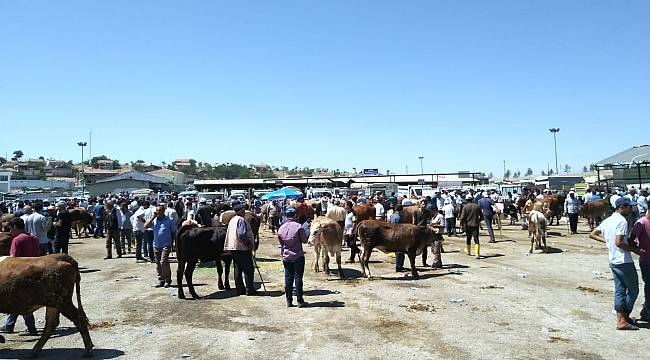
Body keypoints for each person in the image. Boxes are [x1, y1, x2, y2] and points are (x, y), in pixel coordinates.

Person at [589, 197, 644, 330]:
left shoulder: (608, 220)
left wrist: (607, 241)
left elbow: (593, 234)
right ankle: (623, 318)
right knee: (633, 290)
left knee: (620, 290)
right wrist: (637, 250)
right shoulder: (621, 221)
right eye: (629, 207)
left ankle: (621, 319)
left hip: (613, 259)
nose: (631, 210)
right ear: (622, 207)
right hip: (623, 260)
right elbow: (619, 242)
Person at [0, 218, 39, 336]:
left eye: (11, 229)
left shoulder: (17, 240)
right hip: (34, 270)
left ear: (15, 227)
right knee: (20, 300)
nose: (10, 232)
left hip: (19, 273)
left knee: (20, 300)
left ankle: (31, 328)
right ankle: (9, 325)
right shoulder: (33, 237)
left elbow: (13, 259)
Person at [277, 207, 309, 307]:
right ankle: (300, 300)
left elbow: (281, 243)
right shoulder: (299, 226)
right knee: (298, 278)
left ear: (286, 216)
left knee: (288, 278)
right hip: (297, 256)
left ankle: (289, 301)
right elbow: (304, 240)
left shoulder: (281, 228)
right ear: (295, 215)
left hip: (286, 256)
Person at [224, 204, 257, 295]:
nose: (244, 212)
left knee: (238, 269)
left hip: (233, 247)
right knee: (248, 269)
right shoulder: (241, 220)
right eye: (243, 210)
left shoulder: (232, 220)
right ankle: (249, 290)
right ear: (241, 211)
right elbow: (242, 234)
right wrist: (248, 244)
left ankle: (240, 289)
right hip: (242, 248)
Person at [145, 205, 177, 288]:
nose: (157, 212)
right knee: (158, 263)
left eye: (159, 210)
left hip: (166, 244)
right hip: (156, 244)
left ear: (163, 211)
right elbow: (145, 226)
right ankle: (161, 280)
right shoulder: (154, 220)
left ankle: (167, 280)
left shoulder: (170, 221)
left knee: (163, 261)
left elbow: (174, 232)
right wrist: (152, 218)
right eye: (156, 210)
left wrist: (174, 243)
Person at [629, 207, 650, 322]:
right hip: (647, 260)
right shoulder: (641, 223)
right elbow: (631, 239)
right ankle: (647, 311)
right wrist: (639, 250)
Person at [391, 205, 405, 272]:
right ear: (401, 210)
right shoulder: (399, 218)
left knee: (397, 251)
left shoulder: (392, 216)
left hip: (392, 234)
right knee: (400, 251)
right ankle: (399, 266)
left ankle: (399, 265)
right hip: (399, 235)